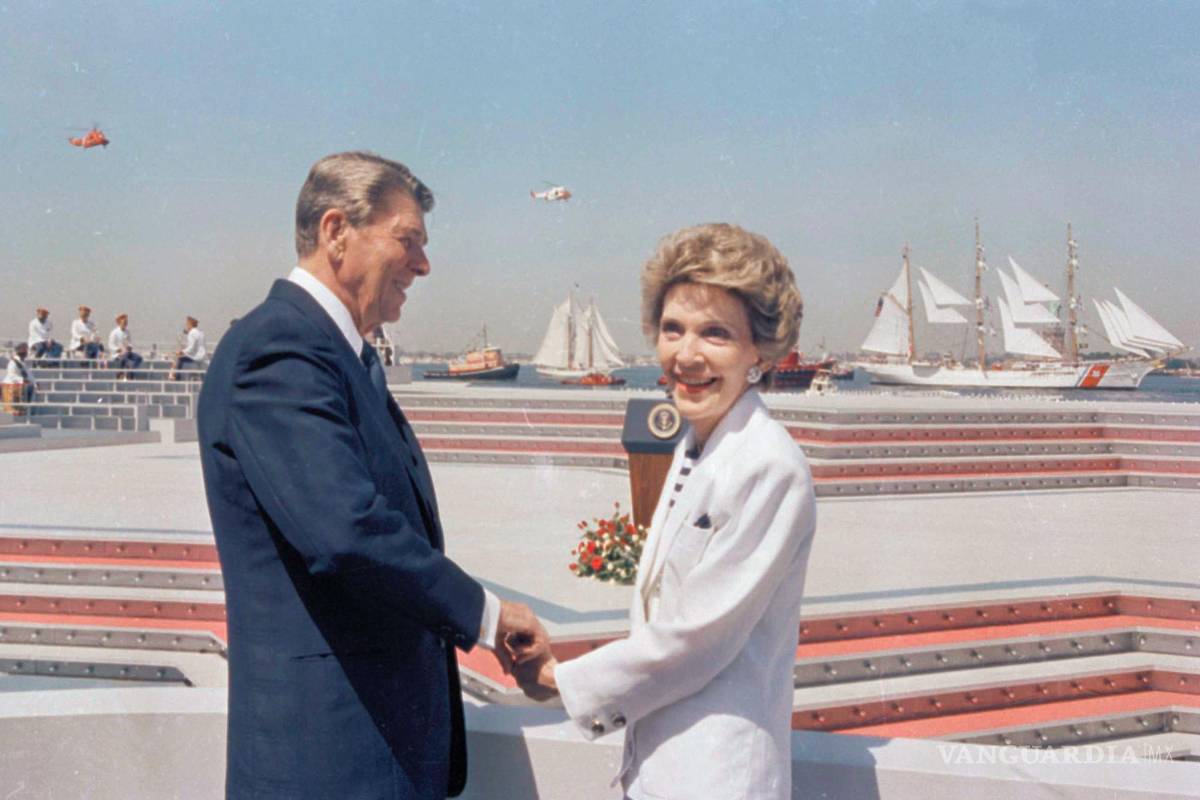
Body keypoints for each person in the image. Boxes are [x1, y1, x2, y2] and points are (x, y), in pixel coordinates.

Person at [197, 151, 547, 799]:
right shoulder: (281, 347)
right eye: (407, 240)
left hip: (371, 753)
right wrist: (490, 617)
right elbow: (346, 531)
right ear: (337, 231)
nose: (423, 264)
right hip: (331, 761)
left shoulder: (339, 356)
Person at [515, 223, 816, 800]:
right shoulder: (696, 445)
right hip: (662, 769)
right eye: (673, 329)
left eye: (716, 334)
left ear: (761, 351)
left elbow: (696, 640)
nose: (686, 354)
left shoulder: (769, 466)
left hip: (718, 777)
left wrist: (560, 680)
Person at [2, 342, 35, 412]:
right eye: (24, 350)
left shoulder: (23, 363)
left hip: (20, 386)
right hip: (10, 385)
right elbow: (11, 375)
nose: (26, 352)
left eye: (26, 350)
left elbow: (29, 375)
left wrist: (35, 383)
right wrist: (22, 380)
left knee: (30, 388)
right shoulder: (13, 362)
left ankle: (24, 408)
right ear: (19, 351)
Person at [108, 313, 143, 378]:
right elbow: (111, 345)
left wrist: (129, 347)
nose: (125, 324)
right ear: (119, 323)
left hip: (127, 352)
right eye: (124, 322)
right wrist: (119, 350)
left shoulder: (127, 332)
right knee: (125, 359)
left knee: (139, 358)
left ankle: (131, 370)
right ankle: (122, 373)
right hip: (118, 354)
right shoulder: (114, 332)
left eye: (126, 322)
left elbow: (130, 343)